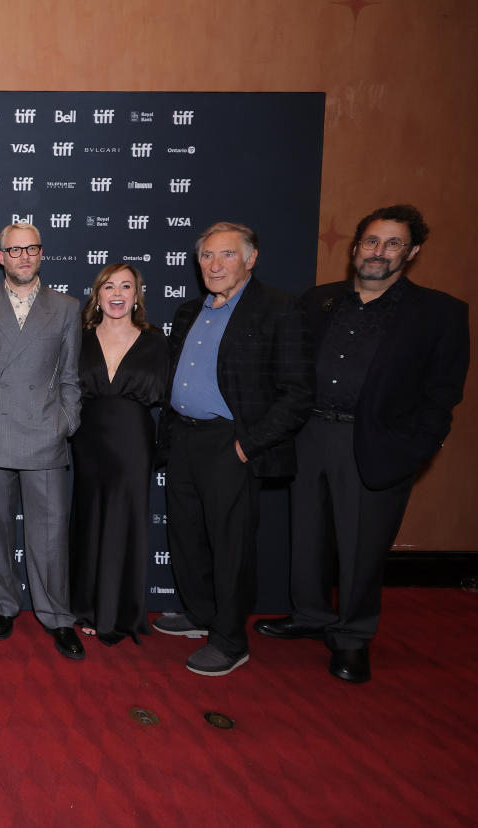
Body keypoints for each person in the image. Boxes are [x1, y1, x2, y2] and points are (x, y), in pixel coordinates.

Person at [256, 205, 469, 683]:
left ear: (411, 252)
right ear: (355, 248)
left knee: (362, 546)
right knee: (306, 533)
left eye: (393, 244)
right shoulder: (319, 301)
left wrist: (417, 449)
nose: (379, 252)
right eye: (371, 241)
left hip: (374, 442)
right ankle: (310, 615)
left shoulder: (440, 313)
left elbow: (443, 392)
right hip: (309, 433)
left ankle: (352, 636)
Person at [156, 222, 313, 676]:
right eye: (207, 256)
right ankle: (200, 613)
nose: (215, 265)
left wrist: (248, 445)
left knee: (230, 546)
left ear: (250, 258)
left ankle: (229, 640)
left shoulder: (279, 309)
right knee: (186, 536)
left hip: (232, 442)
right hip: (185, 438)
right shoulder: (191, 311)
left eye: (226, 255)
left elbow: (298, 392)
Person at [0, 222, 86, 660]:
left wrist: (66, 422)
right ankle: (5, 605)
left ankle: (57, 616)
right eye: (13, 250)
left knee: (50, 534)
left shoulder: (67, 307)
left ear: (40, 253)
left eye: (30, 249)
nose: (22, 257)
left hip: (45, 434)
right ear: (1, 257)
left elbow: (71, 375)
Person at [70, 264, 170, 646]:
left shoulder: (155, 340)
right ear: (97, 294)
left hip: (133, 441)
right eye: (108, 286)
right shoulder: (80, 338)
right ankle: (89, 606)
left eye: (125, 286)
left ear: (136, 294)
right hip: (89, 439)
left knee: (125, 522)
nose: (117, 293)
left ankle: (118, 612)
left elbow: (168, 397)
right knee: (90, 518)